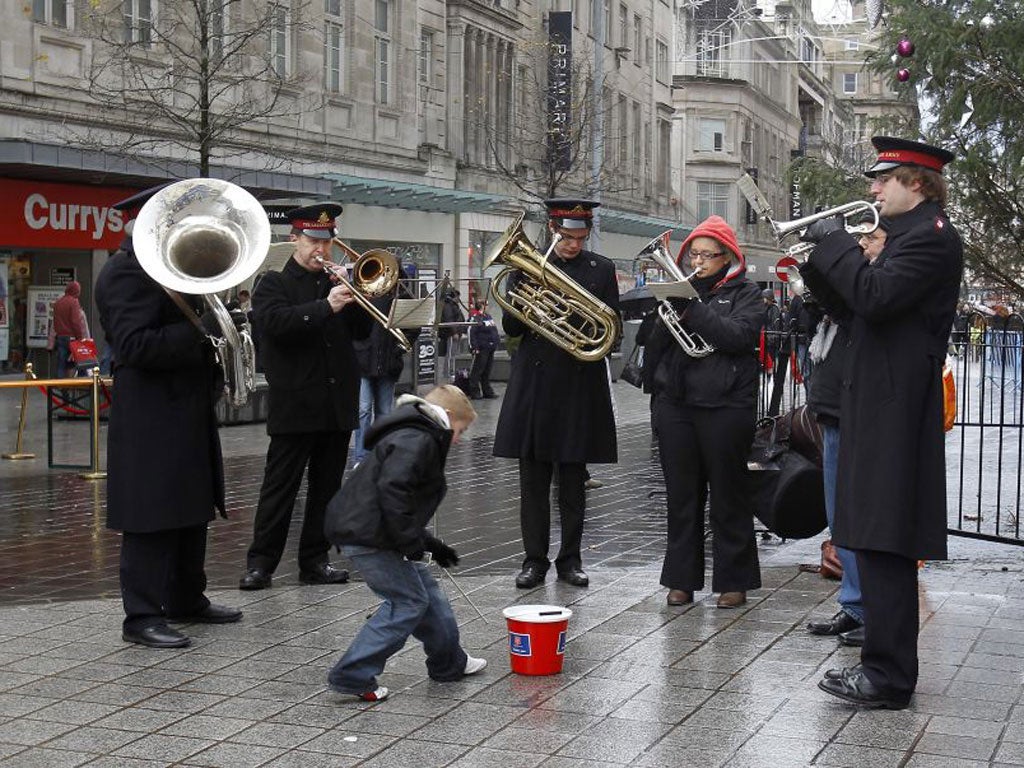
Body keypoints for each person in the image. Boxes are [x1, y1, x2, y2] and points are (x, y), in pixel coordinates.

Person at [798, 136, 962, 709]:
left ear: (916, 181)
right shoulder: (904, 237)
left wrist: (838, 245)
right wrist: (818, 263)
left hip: (894, 413)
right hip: (874, 405)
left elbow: (876, 296)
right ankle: (881, 669)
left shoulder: (933, 241)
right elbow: (851, 307)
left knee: (887, 542)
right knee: (868, 536)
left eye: (882, 179)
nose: (872, 190)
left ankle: (888, 677)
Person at [96, 183, 242, 649]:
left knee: (191, 506)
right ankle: (140, 615)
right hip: (150, 414)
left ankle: (185, 598)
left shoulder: (176, 272)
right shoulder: (124, 274)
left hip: (186, 408)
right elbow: (134, 346)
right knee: (151, 513)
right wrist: (200, 336)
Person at [239, 203, 373, 591]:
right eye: (314, 240)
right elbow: (275, 326)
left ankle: (315, 560)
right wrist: (326, 306)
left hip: (335, 405)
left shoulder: (337, 284)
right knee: (280, 487)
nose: (322, 249)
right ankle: (261, 563)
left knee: (326, 488)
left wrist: (357, 294)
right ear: (294, 238)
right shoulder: (273, 284)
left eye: (327, 241)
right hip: (296, 403)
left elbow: (362, 333)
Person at [324, 385, 486, 702]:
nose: (458, 439)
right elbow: (393, 491)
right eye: (461, 430)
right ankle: (352, 674)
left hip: (374, 533)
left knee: (426, 593)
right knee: (407, 602)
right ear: (448, 417)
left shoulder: (414, 432)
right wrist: (411, 541)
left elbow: (395, 499)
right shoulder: (419, 437)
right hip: (370, 538)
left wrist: (429, 543)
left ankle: (449, 662)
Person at [494, 199, 620, 589]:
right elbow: (511, 328)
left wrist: (571, 312)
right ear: (553, 229)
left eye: (580, 238)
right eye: (567, 237)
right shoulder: (526, 267)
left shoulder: (602, 269)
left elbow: (610, 331)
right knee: (532, 483)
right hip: (534, 385)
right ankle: (533, 561)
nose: (573, 245)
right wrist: (530, 299)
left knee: (572, 482)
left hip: (578, 386)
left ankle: (571, 560)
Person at [642, 215, 763, 609]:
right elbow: (656, 348)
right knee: (681, 497)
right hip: (677, 404)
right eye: (694, 254)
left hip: (726, 406)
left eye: (708, 256)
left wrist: (691, 308)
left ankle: (734, 581)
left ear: (727, 257)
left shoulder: (747, 293)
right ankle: (681, 580)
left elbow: (737, 337)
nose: (699, 262)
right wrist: (662, 314)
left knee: (728, 496)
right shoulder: (681, 291)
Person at [804, 216, 889, 648]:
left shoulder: (878, 288)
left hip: (856, 412)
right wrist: (812, 264)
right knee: (840, 516)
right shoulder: (859, 287)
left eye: (871, 239)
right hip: (834, 410)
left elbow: (852, 310)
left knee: (857, 516)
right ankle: (854, 604)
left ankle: (865, 608)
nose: (864, 246)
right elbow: (827, 307)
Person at [351, 290, 420, 465]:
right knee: (363, 410)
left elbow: (413, 326)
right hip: (364, 360)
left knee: (384, 411)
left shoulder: (401, 293)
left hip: (388, 362)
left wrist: (397, 350)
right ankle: (361, 457)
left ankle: (381, 455)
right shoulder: (361, 289)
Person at [51, 281, 88, 378]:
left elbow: (55, 322)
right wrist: (80, 338)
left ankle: (62, 388)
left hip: (60, 337)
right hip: (72, 337)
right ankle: (79, 386)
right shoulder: (74, 302)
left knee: (61, 364)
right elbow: (76, 322)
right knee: (79, 362)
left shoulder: (58, 302)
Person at [467, 300, 499, 399]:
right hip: (481, 348)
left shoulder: (488, 317)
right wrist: (474, 347)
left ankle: (487, 391)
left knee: (486, 371)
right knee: (477, 371)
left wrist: (495, 342)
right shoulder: (475, 318)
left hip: (490, 347)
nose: (488, 306)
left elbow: (493, 330)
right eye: (487, 304)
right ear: (482, 306)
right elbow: (471, 333)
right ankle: (474, 391)